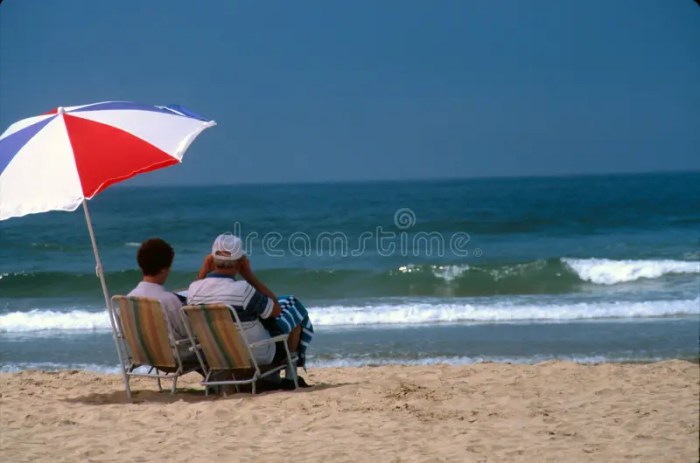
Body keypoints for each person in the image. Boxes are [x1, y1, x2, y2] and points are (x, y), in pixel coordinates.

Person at [188, 233, 312, 388]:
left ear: (211, 260)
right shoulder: (243, 290)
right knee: (293, 312)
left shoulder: (193, 291)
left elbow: (194, 290)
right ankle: (290, 377)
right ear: (240, 262)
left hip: (218, 356)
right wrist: (248, 275)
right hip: (257, 355)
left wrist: (204, 270)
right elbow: (275, 310)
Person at [127, 238, 190, 351]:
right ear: (163, 269)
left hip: (142, 354)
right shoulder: (169, 300)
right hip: (173, 356)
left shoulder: (128, 299)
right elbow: (189, 333)